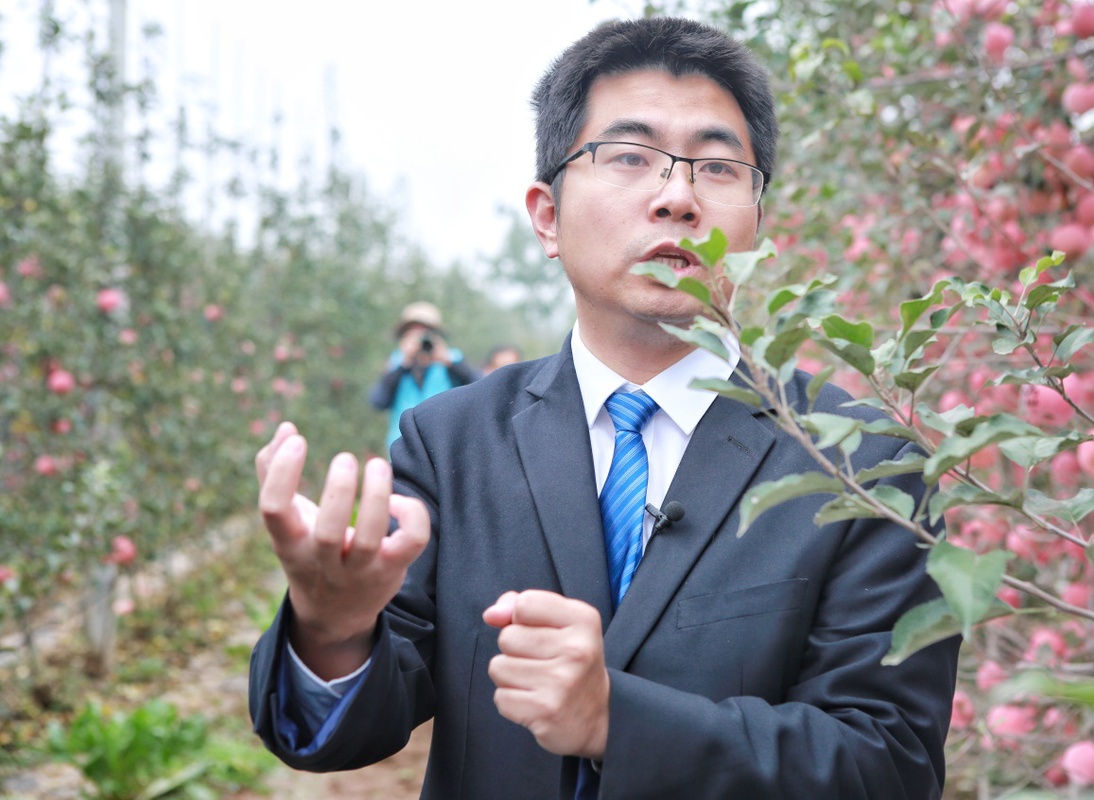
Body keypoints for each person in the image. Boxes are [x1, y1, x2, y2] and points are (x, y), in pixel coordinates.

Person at [251, 16, 959, 800]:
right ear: (547, 216)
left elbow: (886, 767)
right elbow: (352, 726)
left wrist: (616, 719)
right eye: (629, 156)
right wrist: (332, 628)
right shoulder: (452, 442)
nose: (678, 197)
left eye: (719, 168)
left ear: (758, 222)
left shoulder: (860, 461)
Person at [367, 301, 477, 449]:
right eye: (413, 334)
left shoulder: (452, 360)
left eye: (425, 334)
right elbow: (378, 401)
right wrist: (403, 365)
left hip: (444, 448)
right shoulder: (397, 363)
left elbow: (479, 388)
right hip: (403, 449)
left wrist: (449, 362)